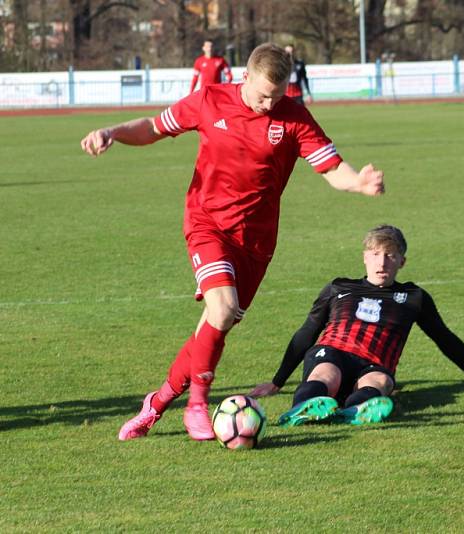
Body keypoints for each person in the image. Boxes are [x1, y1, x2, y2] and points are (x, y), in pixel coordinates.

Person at [79, 43, 385, 441]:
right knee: (221, 312)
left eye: (277, 95)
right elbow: (155, 128)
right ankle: (196, 406)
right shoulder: (209, 100)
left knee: (212, 327)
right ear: (245, 76)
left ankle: (155, 404)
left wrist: (358, 183)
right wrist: (113, 133)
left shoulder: (294, 117)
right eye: (262, 94)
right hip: (207, 224)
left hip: (256, 243)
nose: (268, 103)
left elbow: (331, 168)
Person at [249, 225, 464, 427]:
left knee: (379, 382)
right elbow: (308, 331)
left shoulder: (413, 297)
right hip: (332, 352)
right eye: (375, 254)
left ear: (402, 262)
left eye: (390, 255)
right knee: (327, 377)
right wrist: (277, 382)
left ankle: (350, 412)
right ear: (365, 257)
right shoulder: (339, 287)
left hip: (374, 364)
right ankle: (303, 409)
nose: (382, 263)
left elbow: (444, 338)